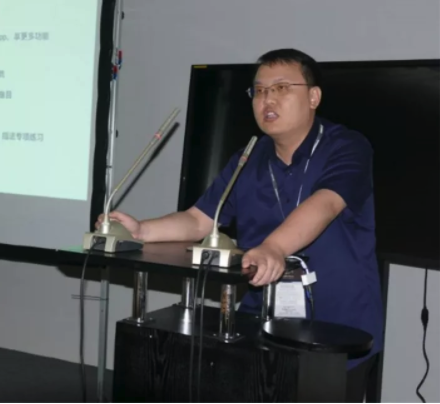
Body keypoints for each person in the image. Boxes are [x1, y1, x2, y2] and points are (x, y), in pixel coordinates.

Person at [100, 49, 383, 402]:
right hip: (261, 320)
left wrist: (274, 247)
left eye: (281, 88)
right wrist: (141, 230)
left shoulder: (347, 146)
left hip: (336, 326)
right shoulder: (249, 157)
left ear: (313, 97)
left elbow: (325, 203)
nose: (268, 99)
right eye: (259, 90)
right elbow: (199, 219)